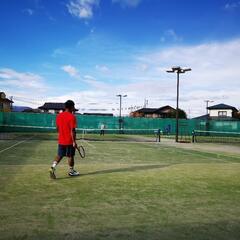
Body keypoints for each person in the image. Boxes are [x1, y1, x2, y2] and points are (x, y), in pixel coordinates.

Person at [49, 100, 80, 179]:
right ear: (71, 107)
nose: (74, 108)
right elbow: (73, 131)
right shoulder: (72, 117)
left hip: (61, 140)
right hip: (69, 141)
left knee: (60, 155)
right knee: (71, 156)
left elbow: (57, 128)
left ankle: (52, 167)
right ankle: (71, 171)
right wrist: (74, 142)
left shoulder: (59, 116)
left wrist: (62, 133)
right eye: (73, 106)